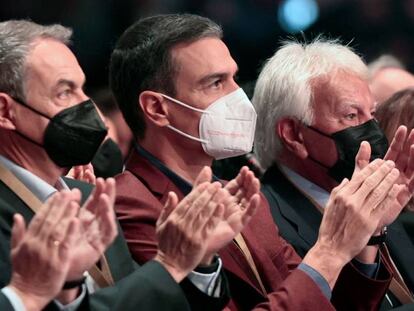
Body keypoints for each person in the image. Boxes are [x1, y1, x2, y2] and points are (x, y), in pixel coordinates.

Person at [110, 14, 404, 310]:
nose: (237, 95)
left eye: (233, 78)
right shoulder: (130, 205)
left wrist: (366, 235)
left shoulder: (244, 197)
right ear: (158, 108)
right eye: (215, 83)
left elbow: (322, 302)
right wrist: (330, 252)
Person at [0, 19, 236, 310]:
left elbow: (139, 301)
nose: (87, 107)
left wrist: (198, 264)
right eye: (64, 92)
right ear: (5, 111)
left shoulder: (89, 197)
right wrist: (171, 265)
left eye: (81, 89)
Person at [253, 38, 414, 309]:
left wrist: (374, 229)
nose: (372, 131)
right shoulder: (266, 223)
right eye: (351, 116)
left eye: (371, 114)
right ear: (294, 134)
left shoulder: (381, 192)